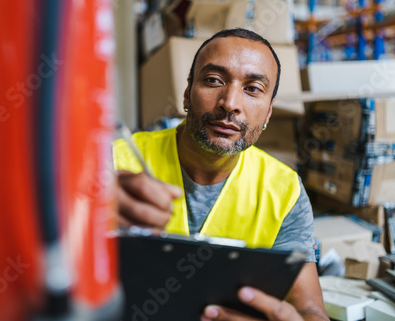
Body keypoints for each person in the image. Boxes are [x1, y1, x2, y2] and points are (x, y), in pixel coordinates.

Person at [113, 28, 328, 321]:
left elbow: (310, 310)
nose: (230, 103)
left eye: (252, 88)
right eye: (214, 80)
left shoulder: (285, 190)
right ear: (187, 93)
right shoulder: (114, 161)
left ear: (267, 115)